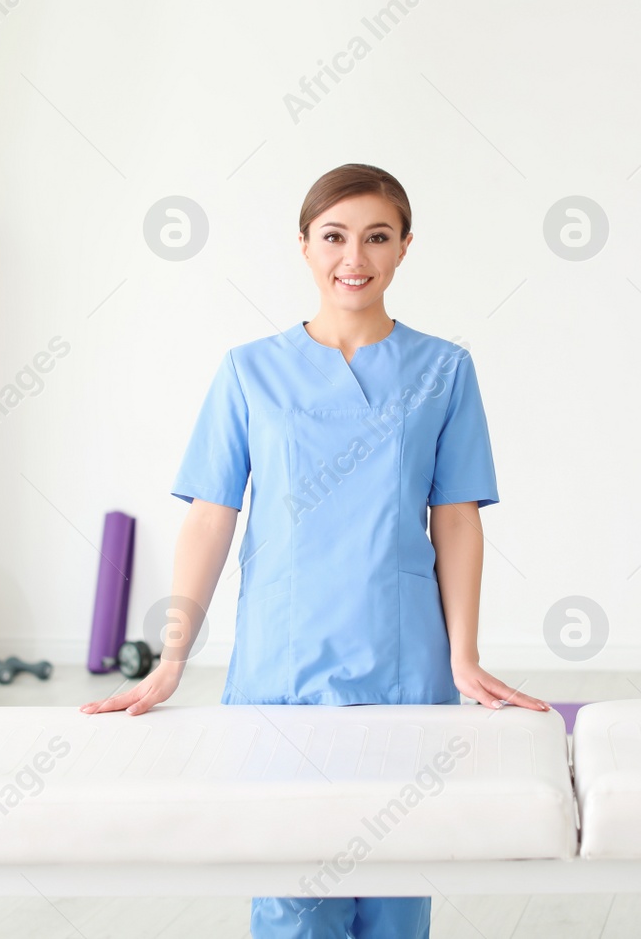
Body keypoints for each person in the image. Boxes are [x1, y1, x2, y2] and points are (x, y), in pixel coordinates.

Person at [80, 162, 551, 938]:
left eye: (376, 237)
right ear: (303, 246)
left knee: (397, 886)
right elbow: (209, 517)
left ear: (404, 248)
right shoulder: (249, 372)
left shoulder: (443, 371)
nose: (353, 258)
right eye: (333, 237)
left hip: (403, 663)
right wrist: (171, 661)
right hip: (281, 666)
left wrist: (464, 658)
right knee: (295, 895)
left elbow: (458, 519)